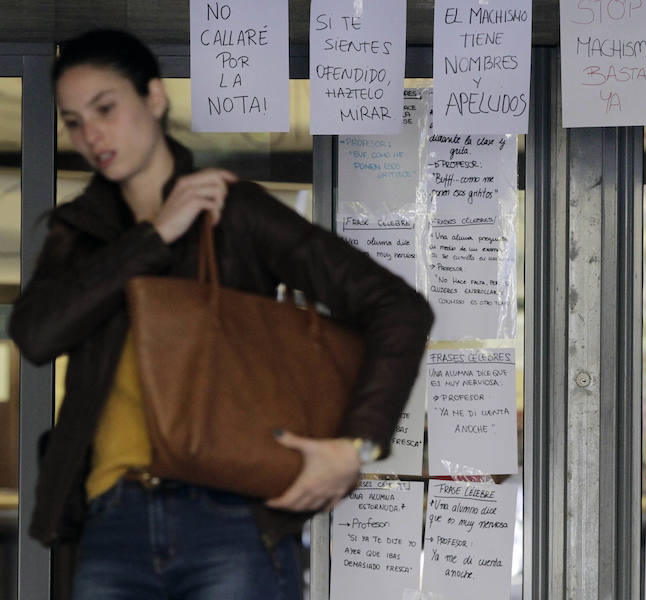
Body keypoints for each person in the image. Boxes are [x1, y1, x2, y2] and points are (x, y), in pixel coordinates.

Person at [9, 29, 433, 600]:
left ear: (154, 99)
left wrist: (356, 444)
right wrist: (155, 236)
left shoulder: (233, 210)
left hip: (231, 516)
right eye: (74, 121)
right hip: (114, 523)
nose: (91, 134)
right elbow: (36, 336)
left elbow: (398, 307)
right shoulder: (80, 233)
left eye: (105, 108)